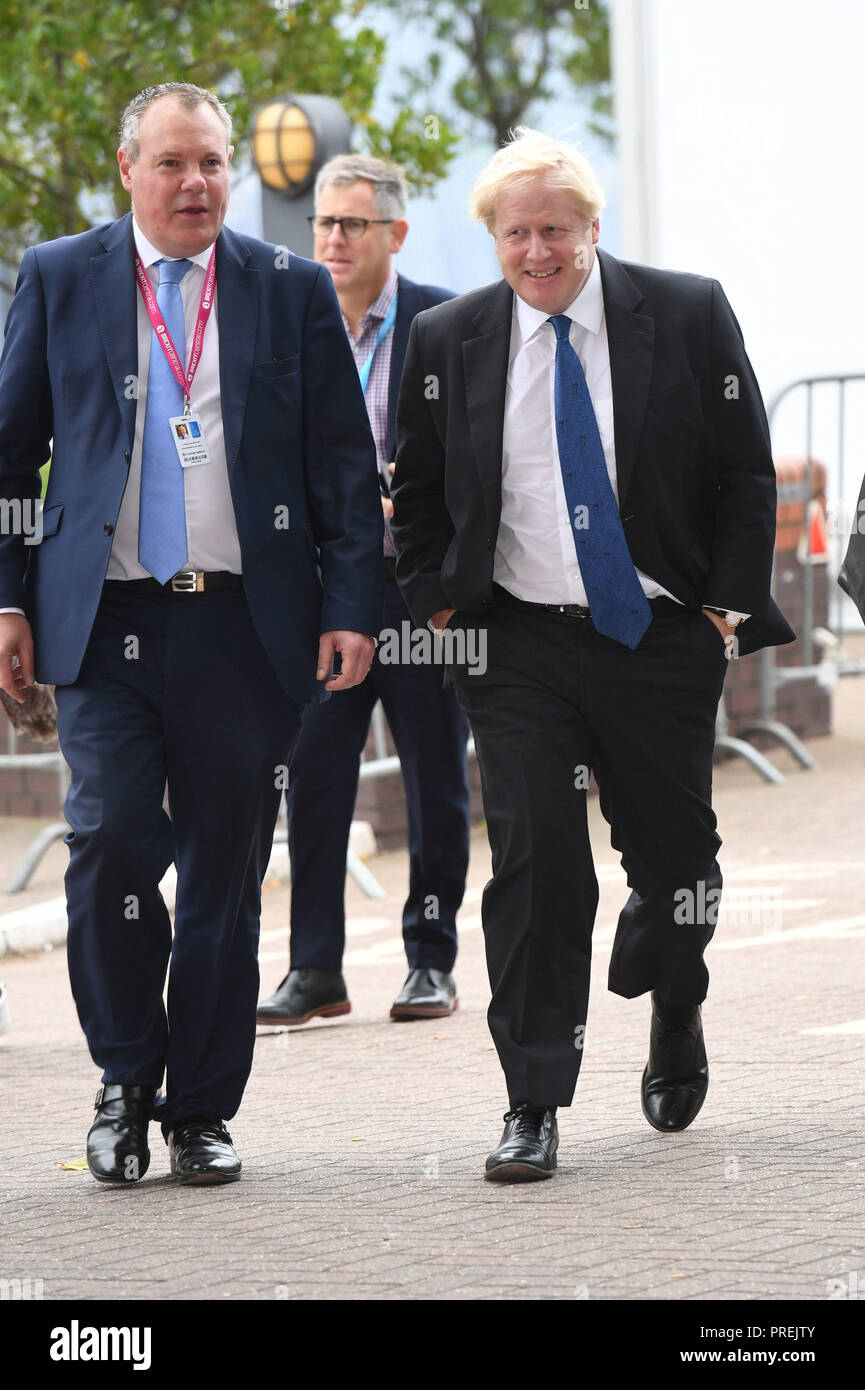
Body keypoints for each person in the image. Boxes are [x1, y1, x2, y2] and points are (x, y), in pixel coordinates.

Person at [391, 127, 794, 1182]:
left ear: (591, 227)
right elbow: (415, 494)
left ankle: (676, 999)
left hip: (660, 634)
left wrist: (720, 614)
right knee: (536, 862)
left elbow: (747, 476)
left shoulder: (688, 310)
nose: (537, 253)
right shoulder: (445, 340)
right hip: (519, 642)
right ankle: (532, 1097)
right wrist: (439, 614)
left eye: (555, 230)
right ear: (492, 238)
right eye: (516, 234)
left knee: (675, 867)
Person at [0, 83, 382, 1186]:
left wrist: (352, 605)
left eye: (213, 162)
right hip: (105, 615)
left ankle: (202, 1108)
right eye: (172, 163)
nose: (197, 183)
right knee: (114, 841)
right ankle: (125, 1076)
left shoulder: (290, 289)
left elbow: (342, 470)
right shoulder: (62, 276)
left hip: (246, 624)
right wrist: (9, 596)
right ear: (128, 171)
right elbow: (8, 450)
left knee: (224, 866)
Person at [257, 155, 470, 1029]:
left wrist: (414, 501)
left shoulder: (445, 323)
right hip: (326, 596)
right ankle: (316, 969)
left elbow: (479, 456)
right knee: (314, 780)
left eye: (351, 225)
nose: (333, 240)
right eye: (322, 224)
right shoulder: (292, 322)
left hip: (419, 594)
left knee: (433, 775)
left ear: (395, 234)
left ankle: (429, 959)